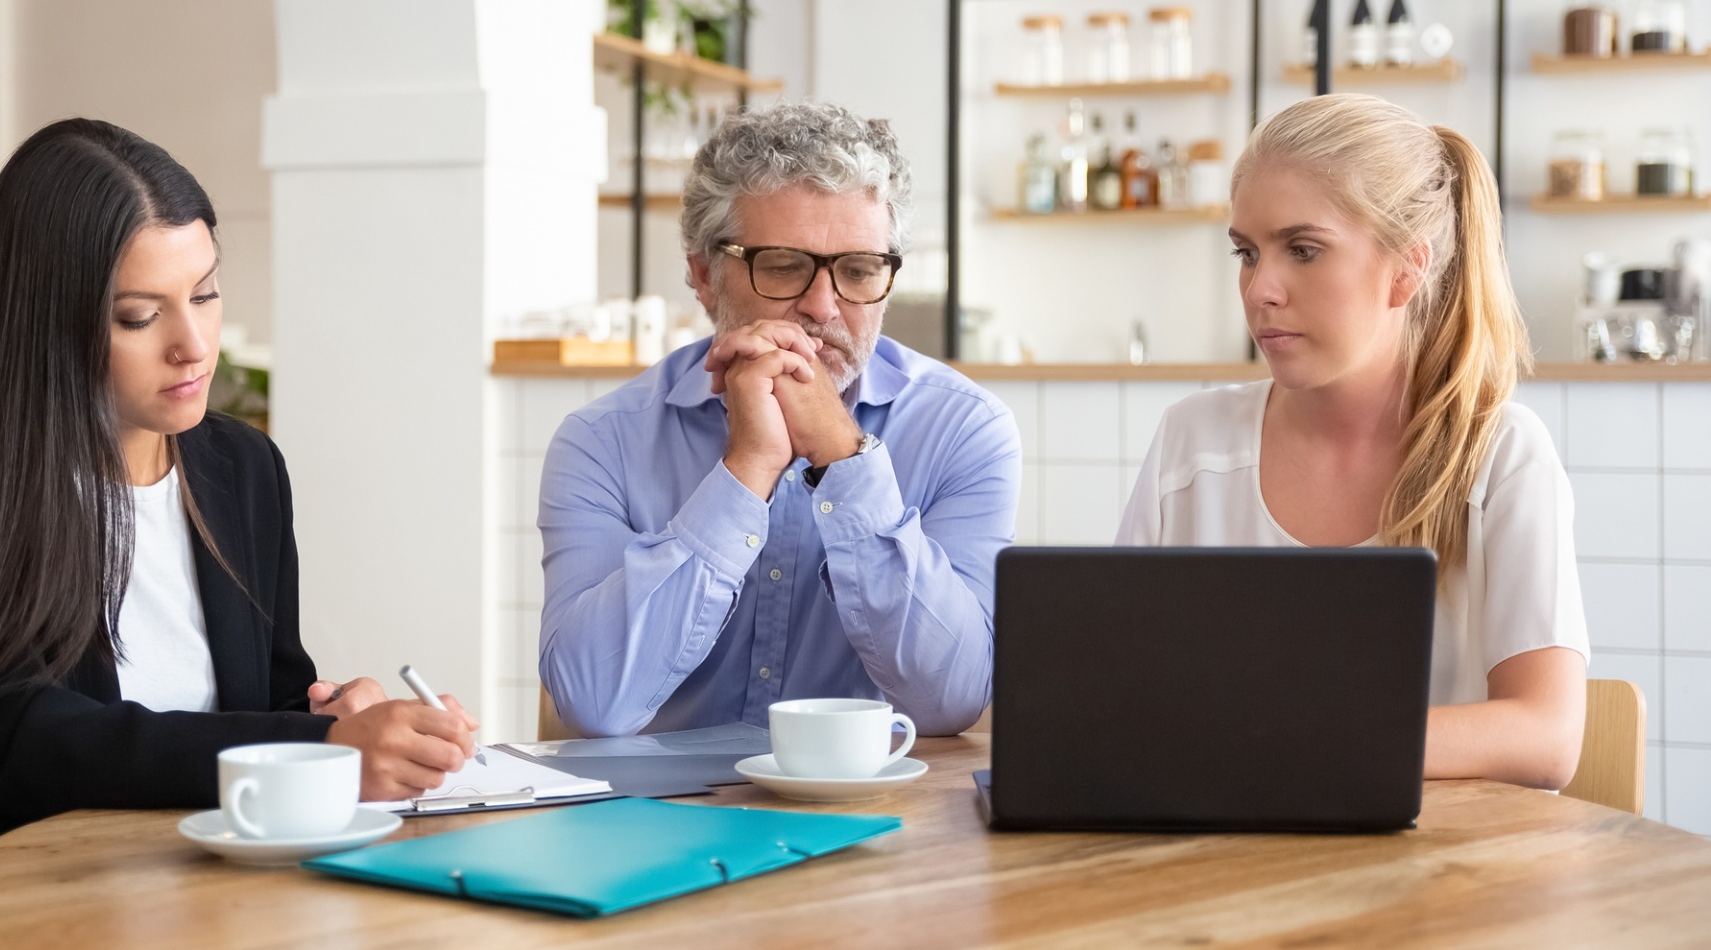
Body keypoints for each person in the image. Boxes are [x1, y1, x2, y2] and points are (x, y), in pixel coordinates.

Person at [0, 120, 476, 950]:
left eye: (207, 292)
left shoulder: (242, 469)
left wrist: (335, 713)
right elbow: (14, 738)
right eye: (138, 315)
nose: (192, 344)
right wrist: (315, 743)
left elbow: (264, 699)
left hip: (188, 907)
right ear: (45, 321)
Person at [1117, 94, 1588, 790]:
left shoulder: (1500, 455)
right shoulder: (1192, 443)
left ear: (1407, 268)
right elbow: (1117, 695)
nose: (1260, 290)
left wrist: (1290, 738)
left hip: (1445, 880)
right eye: (1246, 253)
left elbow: (1546, 737)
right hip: (1224, 871)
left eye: (1303, 250)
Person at [539, 103, 1021, 739]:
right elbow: (593, 701)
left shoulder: (965, 431)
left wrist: (844, 458)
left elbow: (951, 699)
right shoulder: (602, 442)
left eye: (857, 271)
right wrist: (746, 471)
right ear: (705, 275)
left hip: (884, 818)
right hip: (662, 820)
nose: (822, 306)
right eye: (784, 266)